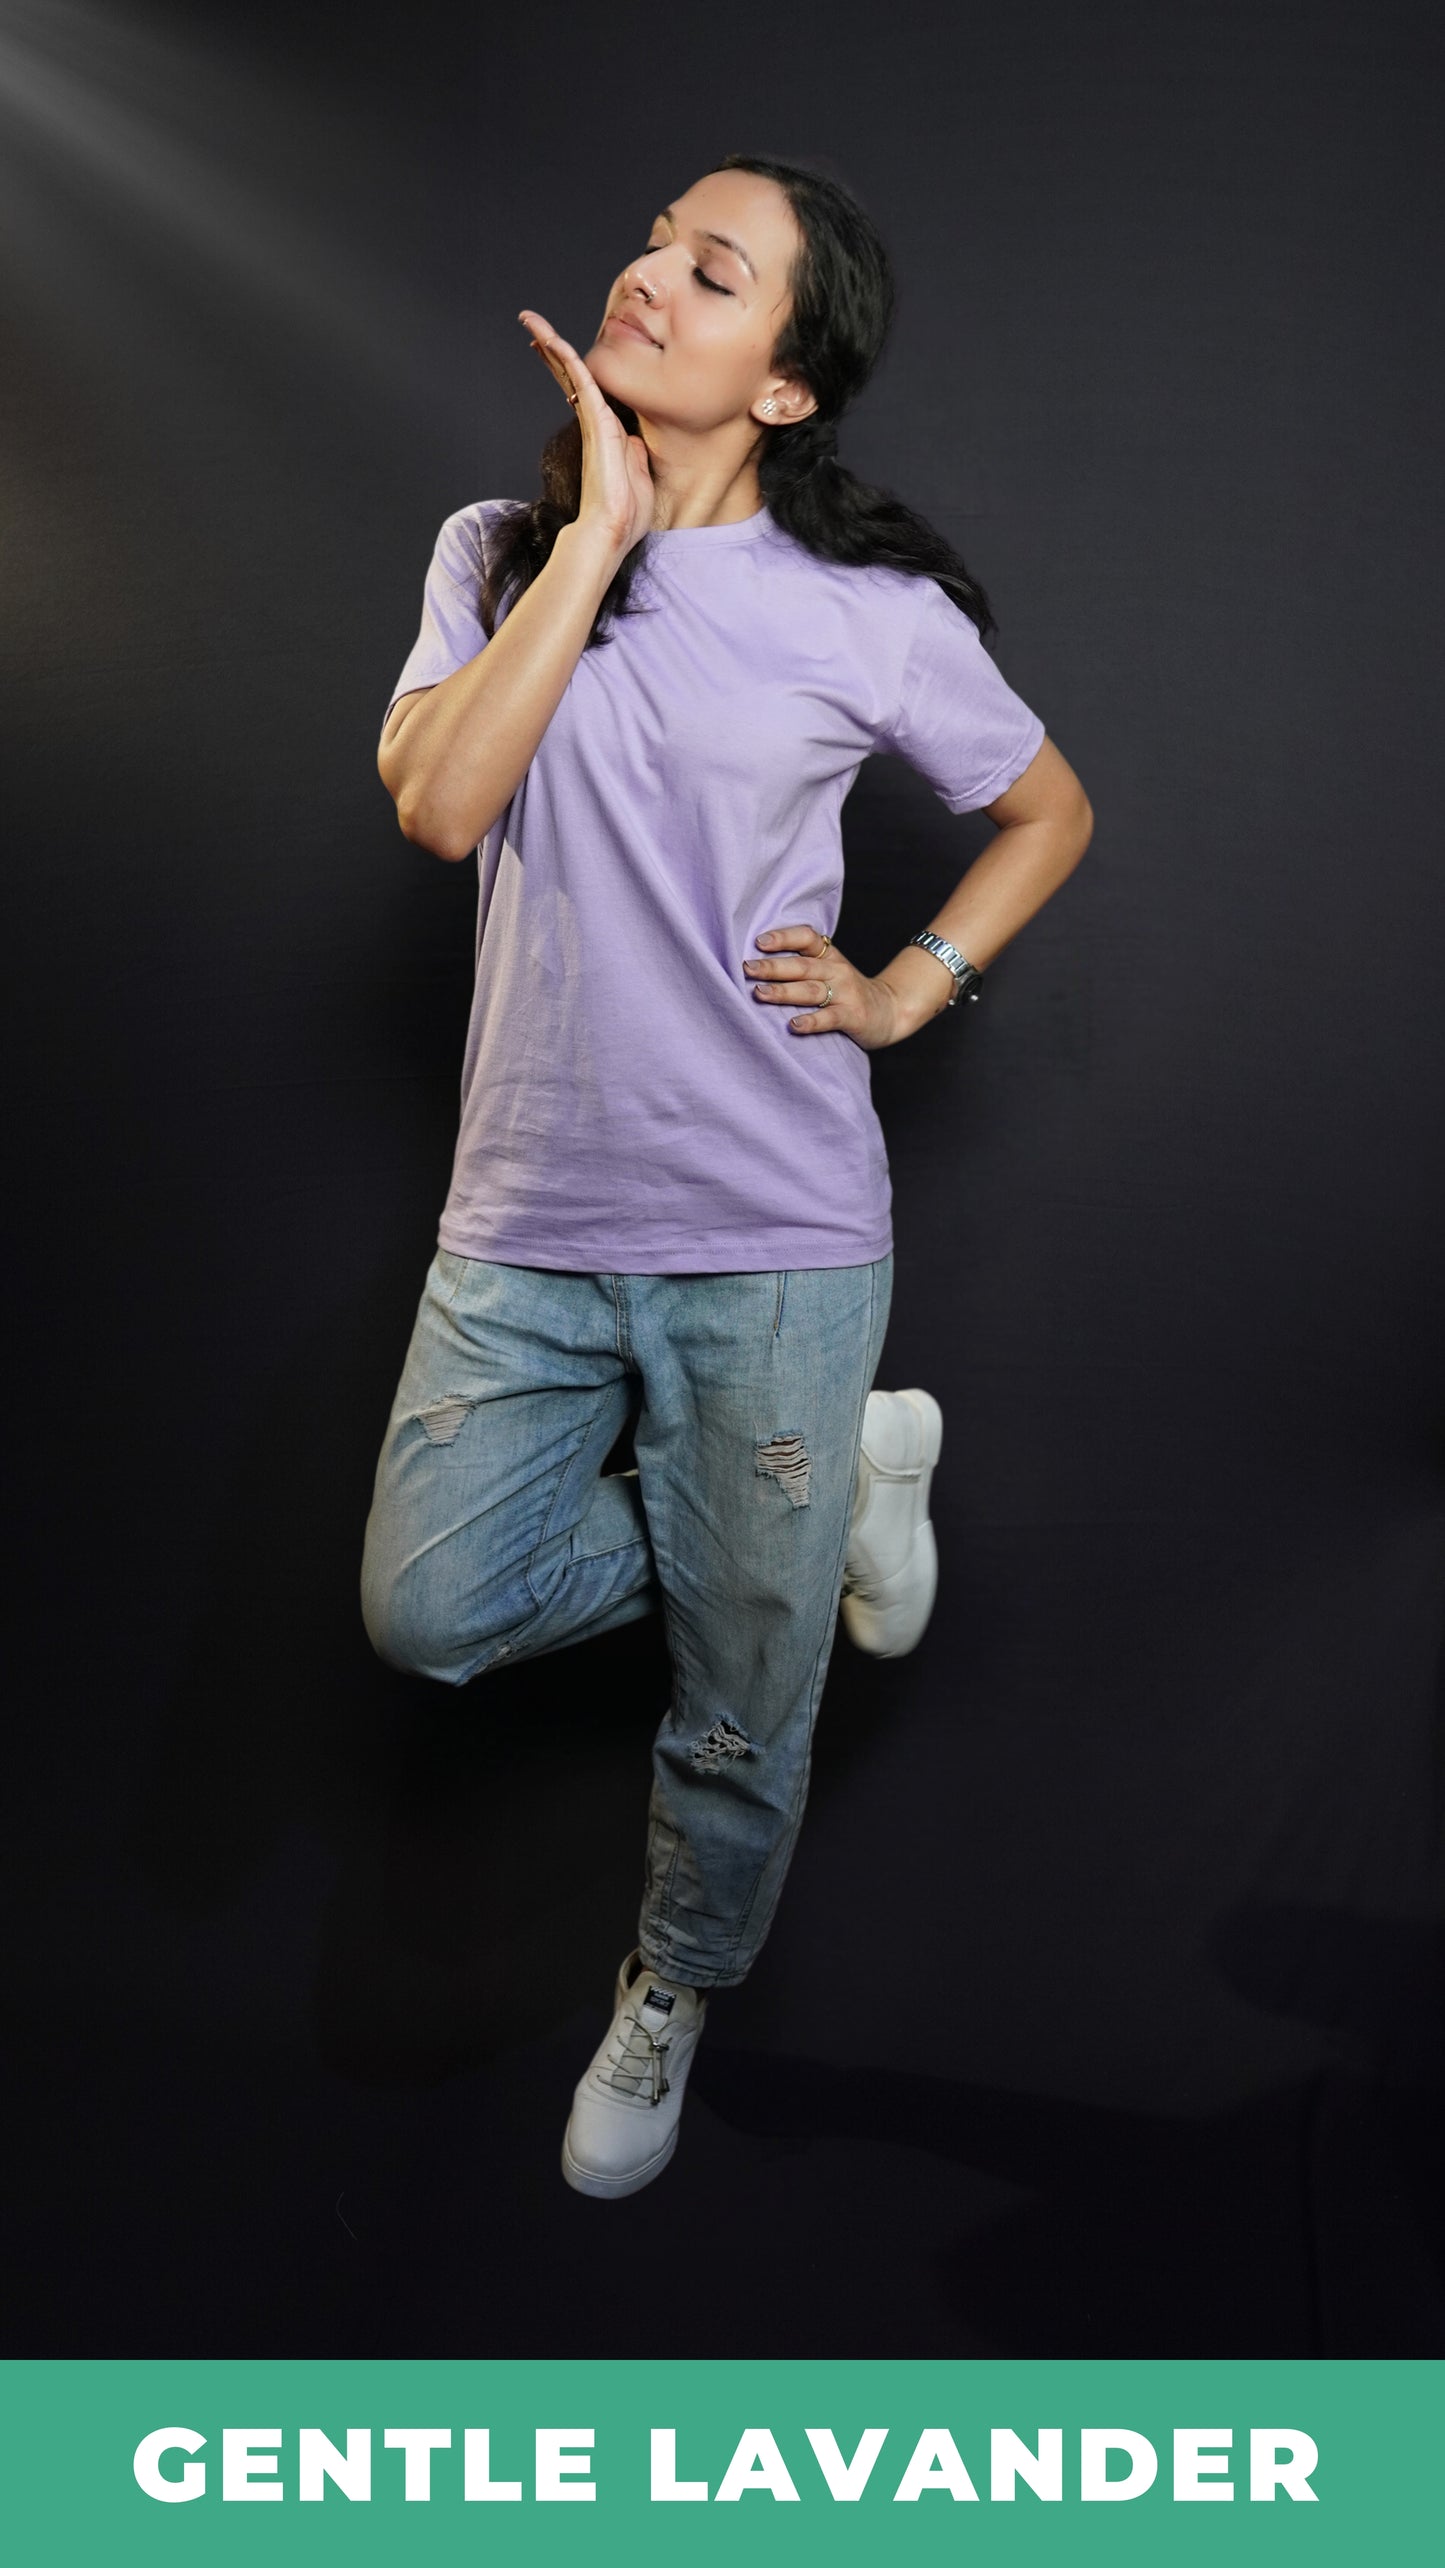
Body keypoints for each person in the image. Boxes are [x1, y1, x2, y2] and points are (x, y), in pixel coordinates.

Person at [363, 154, 1093, 2199]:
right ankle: (816, 1503)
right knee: (434, 1609)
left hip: (773, 1232)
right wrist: (597, 542)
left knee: (739, 1712)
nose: (650, 274)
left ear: (789, 385)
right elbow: (439, 810)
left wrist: (910, 983)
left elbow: (1047, 811)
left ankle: (671, 1983)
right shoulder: (504, 547)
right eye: (652, 243)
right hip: (521, 1217)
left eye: (715, 267)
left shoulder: (872, 618)